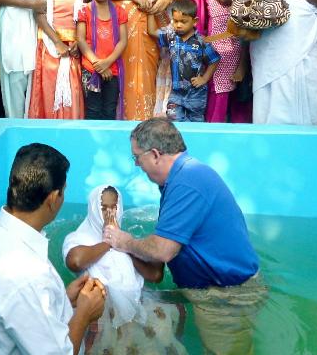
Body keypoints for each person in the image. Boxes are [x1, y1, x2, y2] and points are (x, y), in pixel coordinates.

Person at [104, 118, 263, 355]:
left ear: (156, 154)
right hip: (221, 287)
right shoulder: (187, 175)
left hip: (227, 296)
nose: (137, 164)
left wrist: (124, 241)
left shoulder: (187, 182)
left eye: (137, 157)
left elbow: (163, 250)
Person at [0, 143, 106, 355]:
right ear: (52, 199)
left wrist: (62, 299)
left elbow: (9, 315)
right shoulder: (27, 275)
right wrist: (84, 314)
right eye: (63, 193)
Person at [62, 185, 187, 354]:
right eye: (103, 208)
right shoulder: (79, 237)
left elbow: (155, 274)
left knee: (174, 310)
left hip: (136, 301)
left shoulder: (125, 240)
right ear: (93, 208)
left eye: (114, 207)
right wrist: (108, 242)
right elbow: (75, 261)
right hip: (102, 305)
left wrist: (124, 244)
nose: (109, 214)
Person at [147, 0, 219, 123]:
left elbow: (214, 59)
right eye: (175, 21)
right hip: (176, 92)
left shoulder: (201, 42)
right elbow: (152, 31)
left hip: (196, 93)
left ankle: (194, 142)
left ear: (195, 21)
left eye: (183, 22)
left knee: (196, 123)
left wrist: (204, 79)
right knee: (173, 119)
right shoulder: (171, 36)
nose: (178, 25)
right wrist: (150, 12)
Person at [76, 0, 129, 120]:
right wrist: (98, 64)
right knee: (92, 110)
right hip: (91, 69)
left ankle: (108, 144)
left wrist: (107, 62)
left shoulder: (120, 12)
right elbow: (81, 40)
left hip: (112, 69)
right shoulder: (84, 11)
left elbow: (123, 41)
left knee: (109, 110)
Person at [154, 0, 195, 116]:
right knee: (167, 71)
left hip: (186, 37)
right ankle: (164, 112)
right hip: (170, 36)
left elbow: (184, 8)